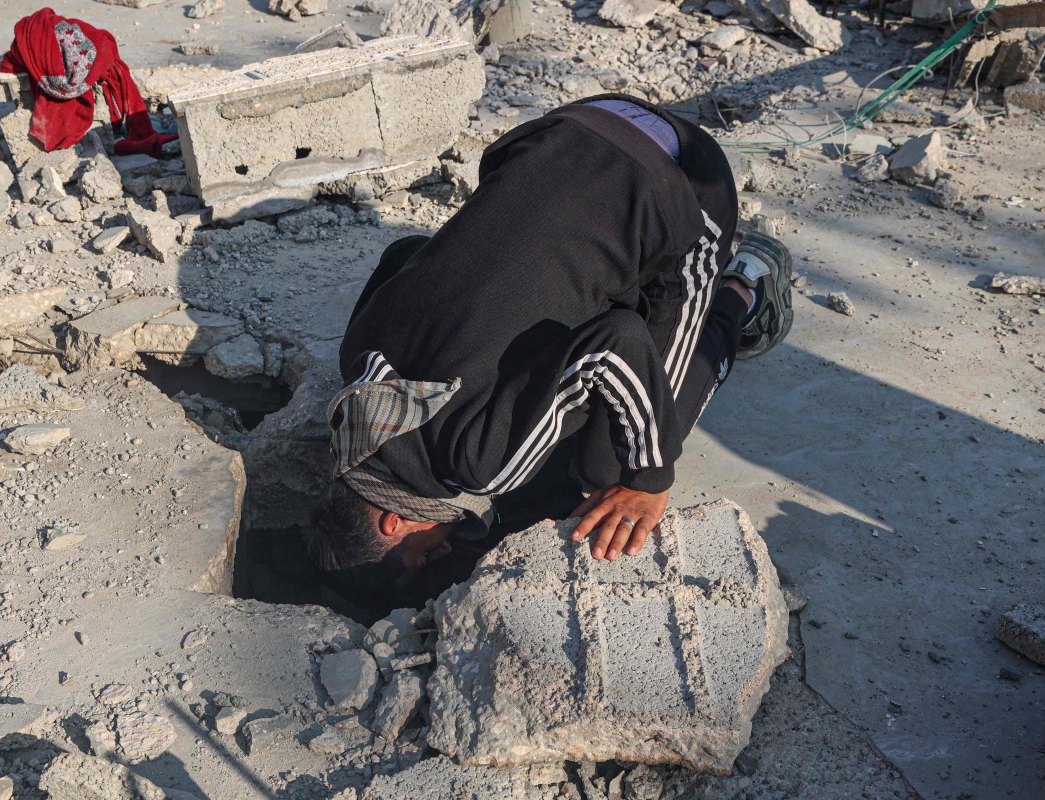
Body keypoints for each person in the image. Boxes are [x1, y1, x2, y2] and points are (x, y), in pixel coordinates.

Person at [305, 94, 793, 608]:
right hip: (562, 130)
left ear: (392, 520)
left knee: (621, 454)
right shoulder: (359, 366)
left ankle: (746, 286)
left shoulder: (480, 465)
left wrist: (649, 478)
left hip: (684, 179)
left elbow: (617, 342)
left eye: (418, 557)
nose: (436, 553)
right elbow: (403, 253)